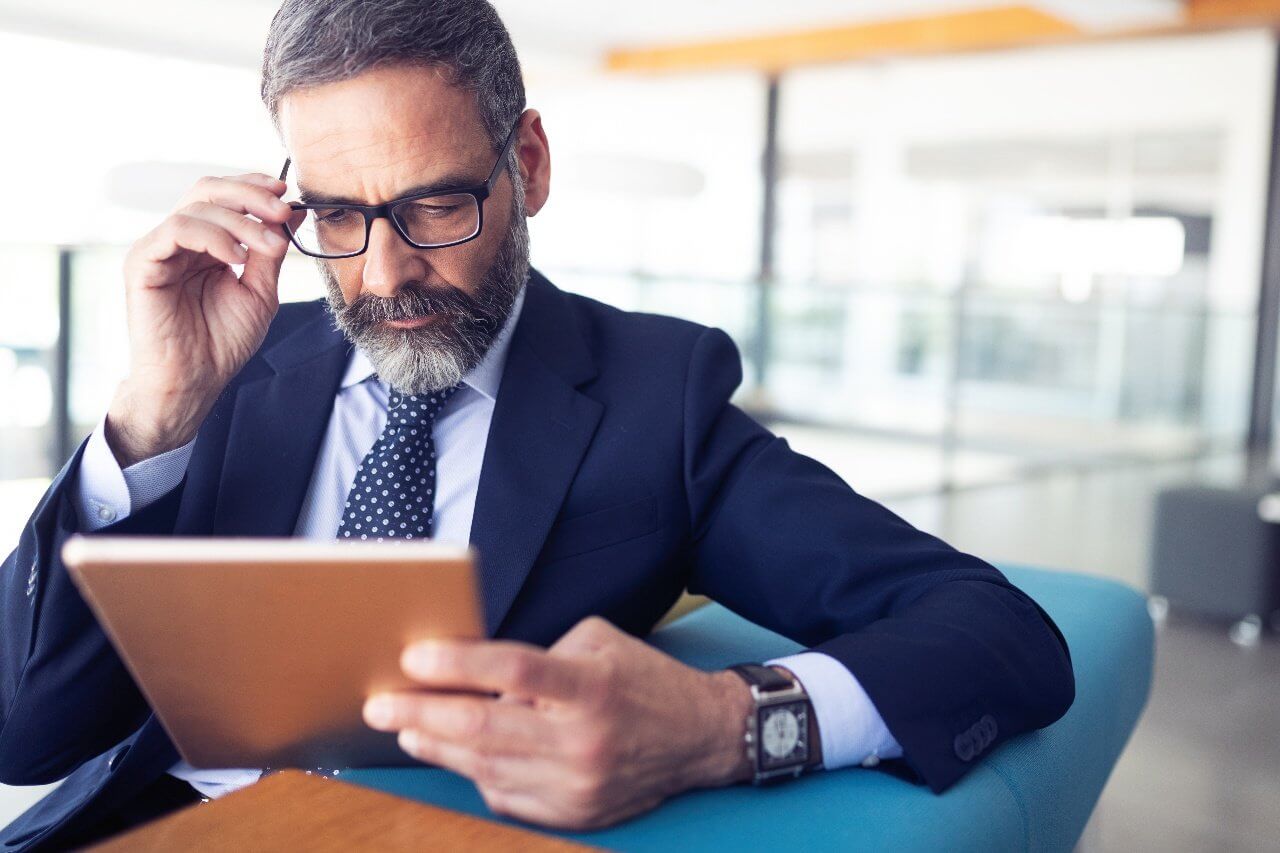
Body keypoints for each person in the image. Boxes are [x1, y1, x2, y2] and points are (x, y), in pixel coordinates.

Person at [0, 0, 1075, 848]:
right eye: (336, 215)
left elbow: (996, 633)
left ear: (530, 165)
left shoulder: (657, 398)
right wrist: (153, 413)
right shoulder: (227, 369)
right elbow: (26, 729)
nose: (384, 274)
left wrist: (717, 728)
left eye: (434, 206)